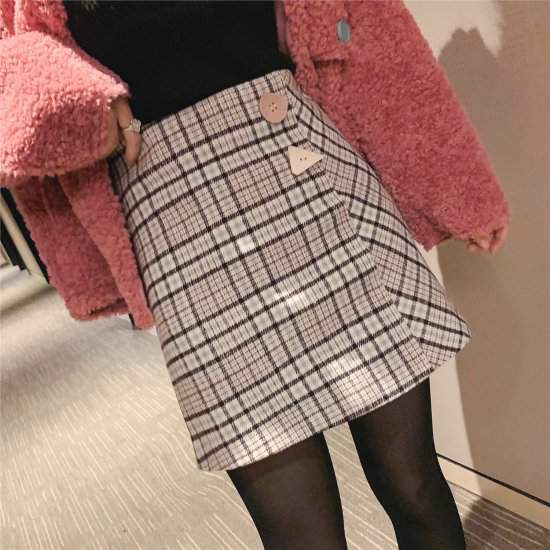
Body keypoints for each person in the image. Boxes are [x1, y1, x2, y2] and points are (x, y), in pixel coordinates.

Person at [59, 2, 508, 549]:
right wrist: (87, 97)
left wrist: (457, 188)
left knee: (412, 484)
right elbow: (19, 82)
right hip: (179, 226)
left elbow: (373, 36)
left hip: (307, 171)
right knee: (301, 537)